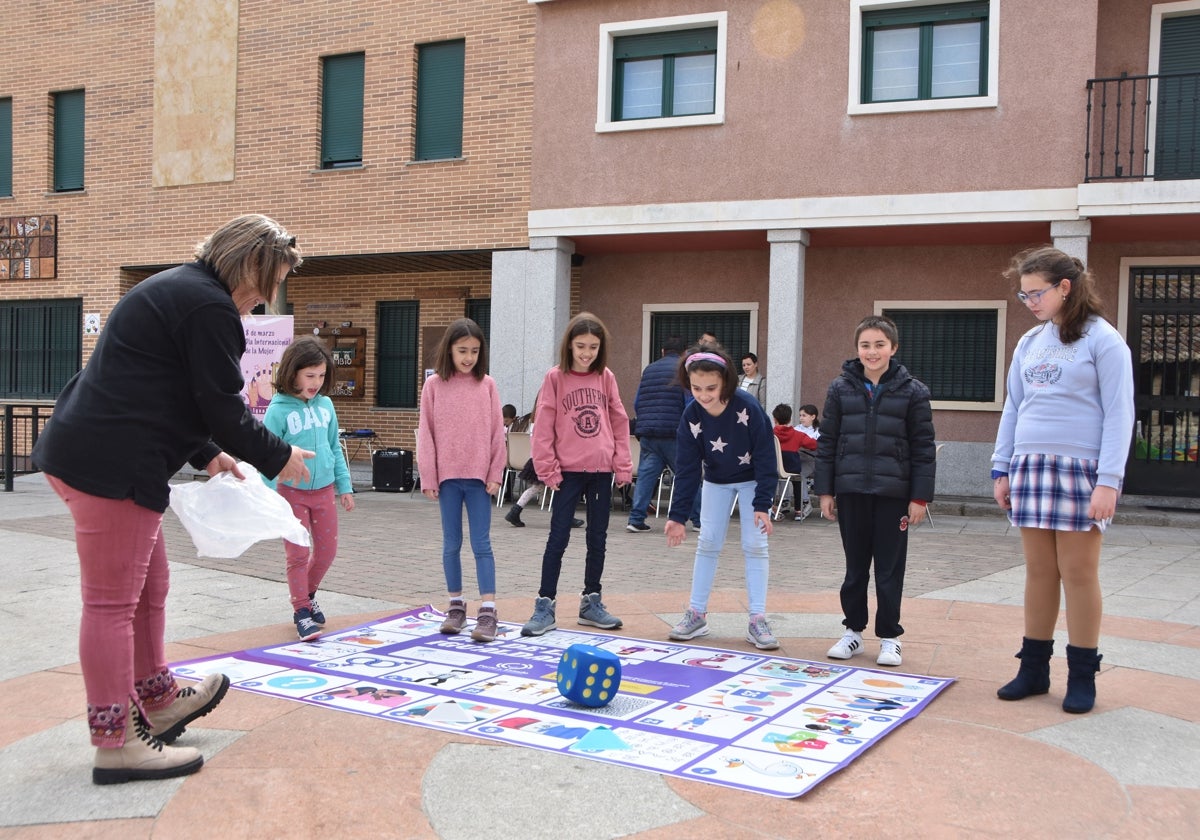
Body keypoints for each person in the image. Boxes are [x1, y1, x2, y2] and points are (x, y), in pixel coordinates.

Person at [31, 214, 313, 785]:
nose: (264, 301)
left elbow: (167, 389)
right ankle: (116, 743)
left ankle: (157, 698)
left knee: (149, 587)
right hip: (112, 465)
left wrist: (207, 453)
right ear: (251, 266)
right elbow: (221, 406)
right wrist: (280, 457)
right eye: (268, 283)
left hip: (98, 451)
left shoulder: (180, 289)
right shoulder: (209, 307)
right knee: (113, 606)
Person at [991, 247, 1134, 714]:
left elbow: (1119, 413)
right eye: (1024, 294)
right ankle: (1033, 670)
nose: (1030, 301)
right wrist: (1002, 466)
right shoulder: (1029, 342)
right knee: (1038, 571)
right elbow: (1014, 405)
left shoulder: (1103, 339)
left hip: (1082, 471)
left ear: (1065, 287)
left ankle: (1082, 676)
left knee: (1078, 573)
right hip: (1030, 465)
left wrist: (1108, 480)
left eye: (1037, 292)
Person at [815, 314, 935, 667]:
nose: (872, 351)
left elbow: (923, 448)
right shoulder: (840, 388)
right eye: (865, 345)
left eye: (879, 345)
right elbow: (828, 442)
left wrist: (918, 497)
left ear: (893, 348)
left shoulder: (913, 391)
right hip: (850, 491)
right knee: (855, 569)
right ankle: (852, 631)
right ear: (857, 349)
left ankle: (889, 637)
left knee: (888, 569)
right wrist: (826, 491)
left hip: (893, 494)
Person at [520, 312, 633, 636]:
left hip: (600, 472)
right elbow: (542, 428)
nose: (586, 353)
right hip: (567, 473)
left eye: (593, 347)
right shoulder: (555, 378)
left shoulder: (606, 377)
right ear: (569, 345)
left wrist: (622, 465)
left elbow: (619, 422)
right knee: (558, 539)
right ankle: (544, 606)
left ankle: (591, 602)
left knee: (598, 539)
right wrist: (547, 469)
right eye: (580, 346)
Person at [665, 344, 779, 650]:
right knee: (708, 542)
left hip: (752, 480)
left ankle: (757, 619)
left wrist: (763, 505)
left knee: (755, 545)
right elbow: (687, 470)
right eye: (696, 388)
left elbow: (767, 457)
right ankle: (696, 613)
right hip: (715, 480)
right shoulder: (691, 416)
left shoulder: (748, 407)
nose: (704, 395)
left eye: (711, 388)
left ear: (726, 381)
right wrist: (677, 516)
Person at [418, 318, 508, 643]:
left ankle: (488, 610)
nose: (468, 357)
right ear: (449, 350)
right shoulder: (433, 386)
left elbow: (498, 432)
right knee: (451, 543)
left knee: (481, 544)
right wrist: (428, 474)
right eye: (462, 351)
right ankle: (455, 606)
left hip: (480, 479)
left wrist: (496, 472)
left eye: (474, 351)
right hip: (448, 480)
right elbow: (425, 433)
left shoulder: (487, 385)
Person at [262, 337, 356, 641]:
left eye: (321, 375)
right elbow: (266, 455)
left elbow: (334, 448)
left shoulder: (326, 406)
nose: (316, 383)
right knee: (298, 554)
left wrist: (345, 486)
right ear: (292, 373)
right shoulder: (277, 411)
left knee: (327, 552)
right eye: (310, 376)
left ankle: (308, 593)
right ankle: (301, 609)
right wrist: (265, 496)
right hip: (291, 494)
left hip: (325, 491)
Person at [625, 335, 687, 533]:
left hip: (649, 433)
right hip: (674, 433)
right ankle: (700, 520)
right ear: (684, 353)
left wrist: (645, 421)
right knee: (687, 476)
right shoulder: (683, 370)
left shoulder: (649, 370)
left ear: (662, 351)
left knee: (645, 477)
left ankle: (635, 519)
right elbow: (689, 403)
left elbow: (637, 402)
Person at [504, 396, 584, 530]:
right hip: (548, 458)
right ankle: (565, 517)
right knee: (560, 486)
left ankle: (515, 511)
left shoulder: (533, 420)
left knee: (538, 487)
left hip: (539, 458)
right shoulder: (545, 420)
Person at [770, 403, 816, 520]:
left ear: (774, 419)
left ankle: (771, 506)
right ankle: (798, 511)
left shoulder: (769, 434)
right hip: (791, 469)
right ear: (790, 419)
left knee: (770, 478)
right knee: (798, 479)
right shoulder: (798, 434)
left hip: (773, 469)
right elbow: (813, 445)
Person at [793, 403, 821, 519]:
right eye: (800, 415)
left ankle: (805, 502)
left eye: (804, 415)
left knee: (799, 474)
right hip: (796, 458)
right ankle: (785, 499)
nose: (801, 418)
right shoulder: (795, 429)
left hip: (811, 460)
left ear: (813, 417)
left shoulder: (818, 431)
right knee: (783, 469)